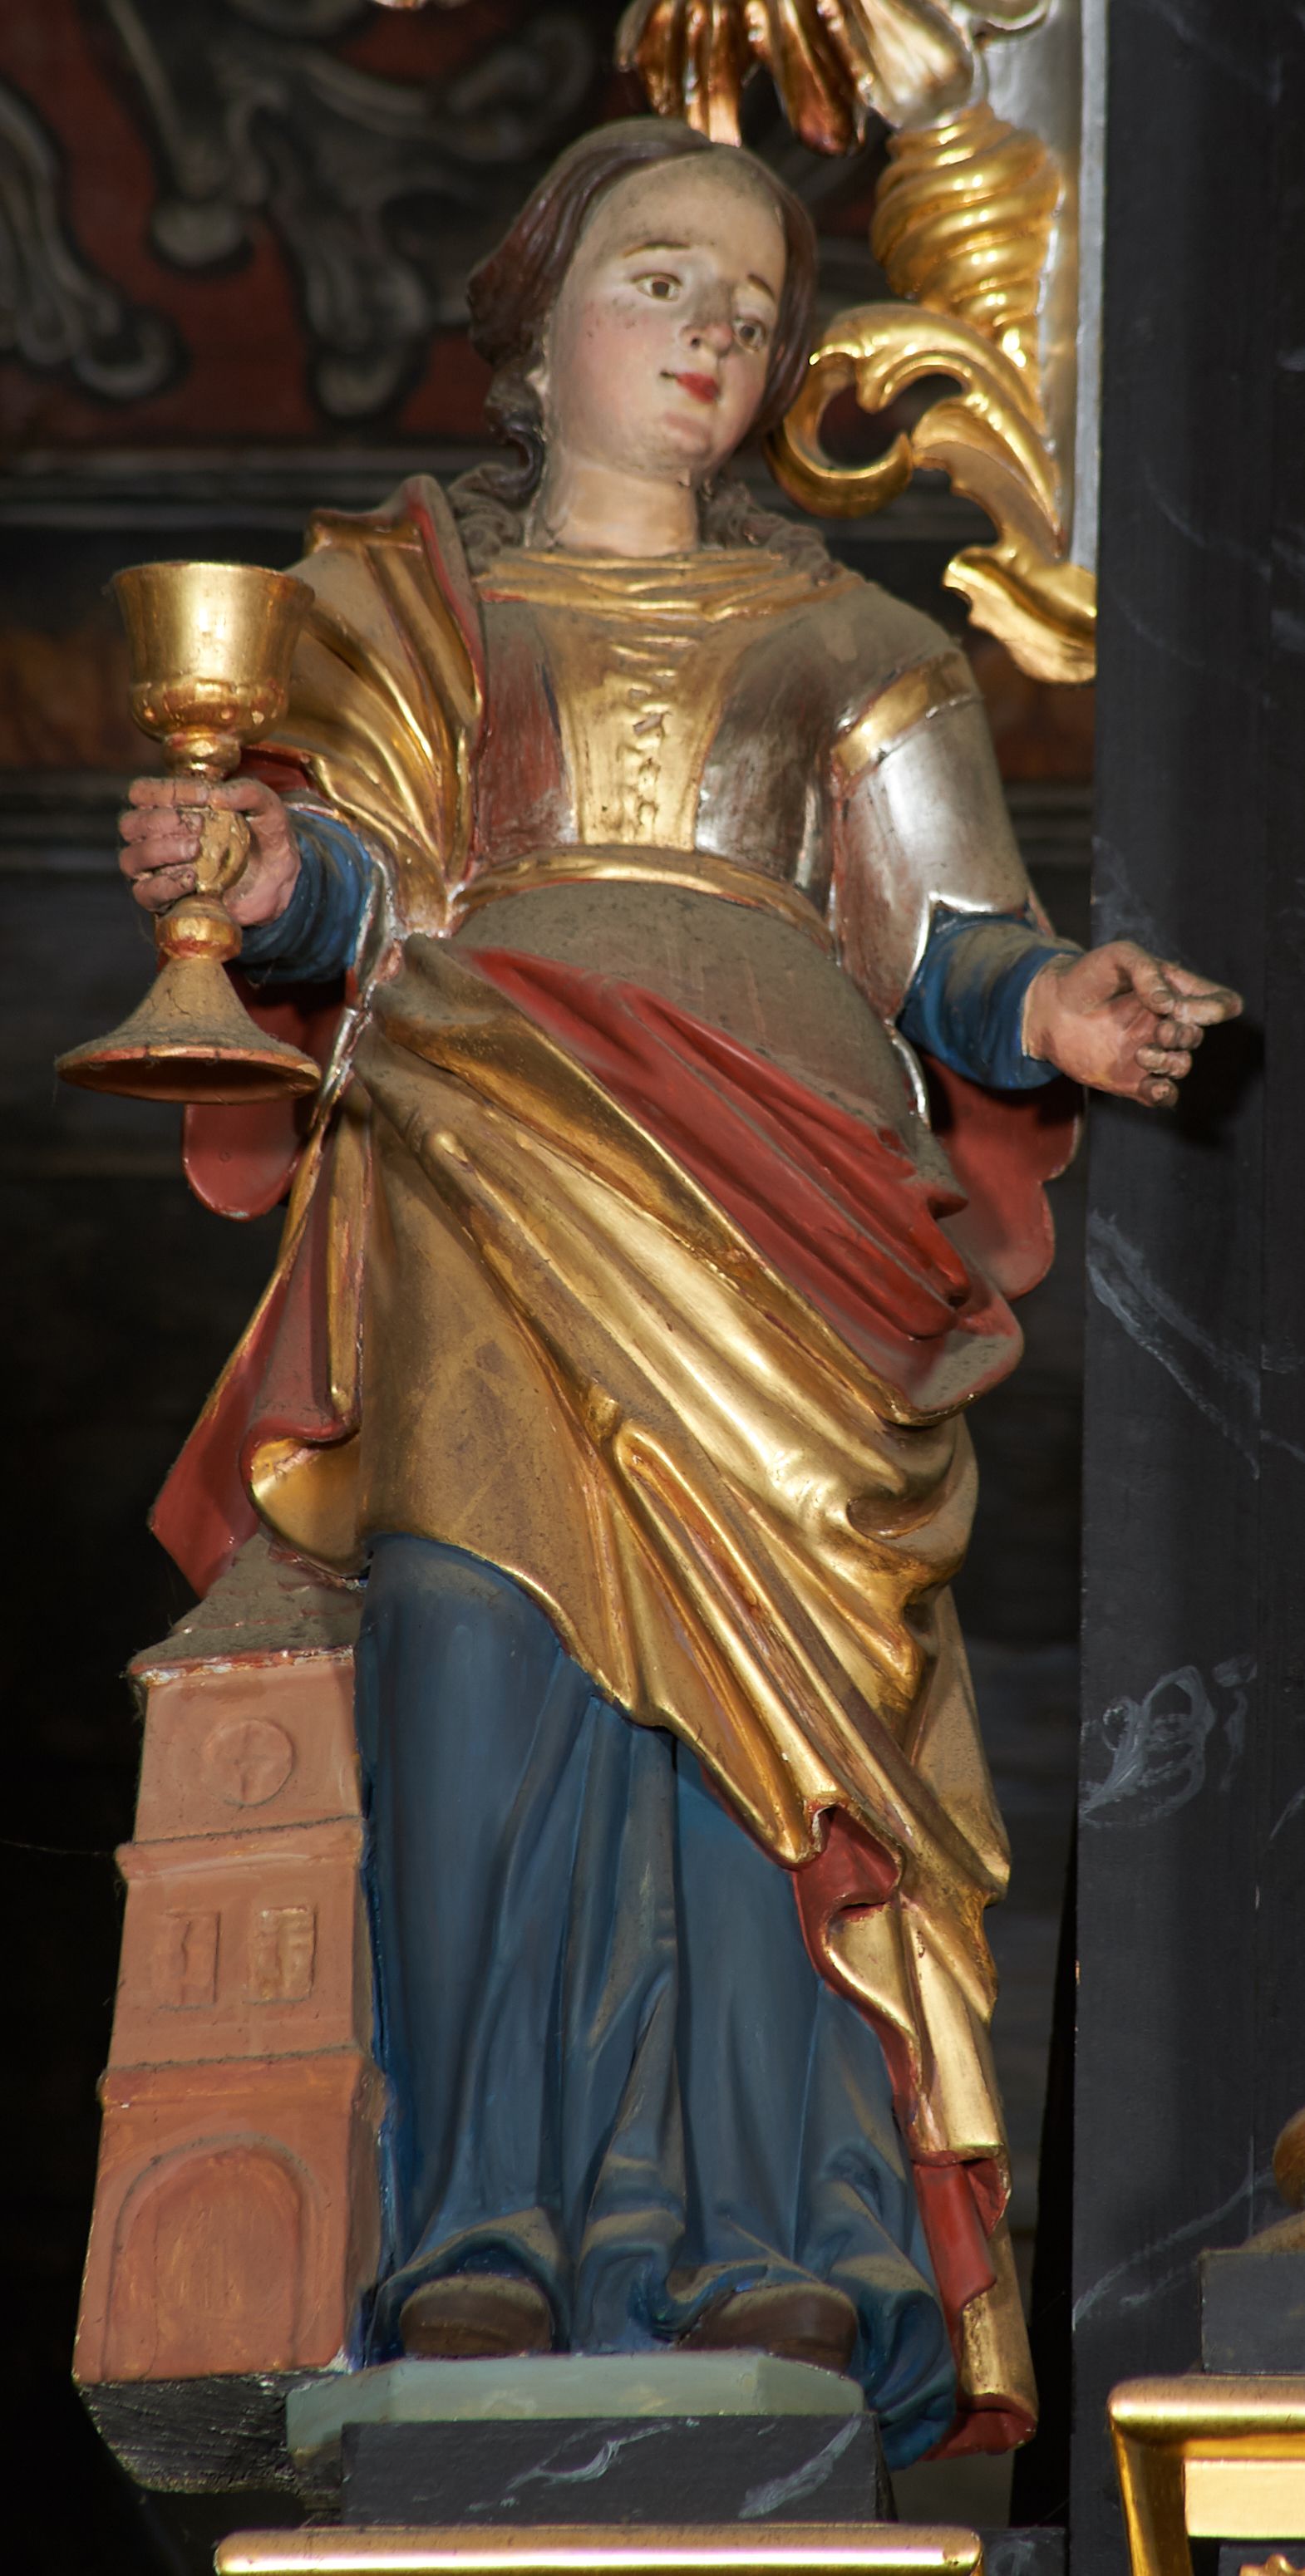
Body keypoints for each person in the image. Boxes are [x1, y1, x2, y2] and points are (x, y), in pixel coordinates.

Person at [116, 119, 1239, 2470]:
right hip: (484, 1159)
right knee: (469, 1660)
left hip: (784, 1220)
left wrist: (1060, 1006)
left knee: (772, 1725)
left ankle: (780, 2229)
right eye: (657, 280)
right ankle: (476, 2218)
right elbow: (357, 877)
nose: (712, 329)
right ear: (536, 328)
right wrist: (258, 867)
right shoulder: (406, 615)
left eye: (750, 303)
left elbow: (950, 938)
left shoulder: (862, 646)